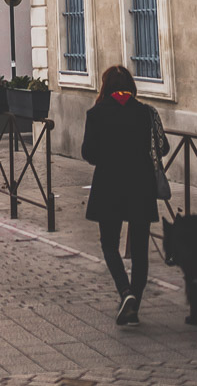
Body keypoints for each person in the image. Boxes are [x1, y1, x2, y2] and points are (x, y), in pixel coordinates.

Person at [82, 64, 167, 327]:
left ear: (105, 87)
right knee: (140, 250)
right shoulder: (146, 113)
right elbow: (162, 147)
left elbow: (89, 154)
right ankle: (134, 304)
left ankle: (125, 291)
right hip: (141, 187)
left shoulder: (96, 114)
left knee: (109, 243)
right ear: (131, 86)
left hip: (109, 186)